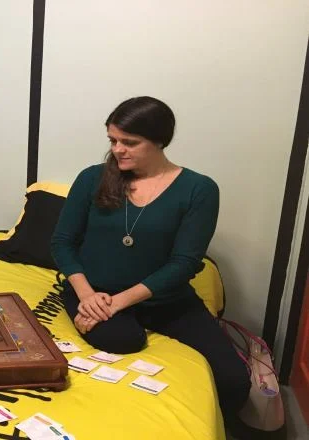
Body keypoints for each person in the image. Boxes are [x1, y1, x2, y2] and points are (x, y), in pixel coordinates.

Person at [50, 97, 250, 434]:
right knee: (121, 339)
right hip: (93, 291)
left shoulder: (199, 189)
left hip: (165, 298)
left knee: (234, 380)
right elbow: (62, 242)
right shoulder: (92, 179)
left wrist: (118, 303)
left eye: (130, 142)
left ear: (159, 140)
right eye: (113, 140)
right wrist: (86, 296)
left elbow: (185, 263)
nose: (118, 150)